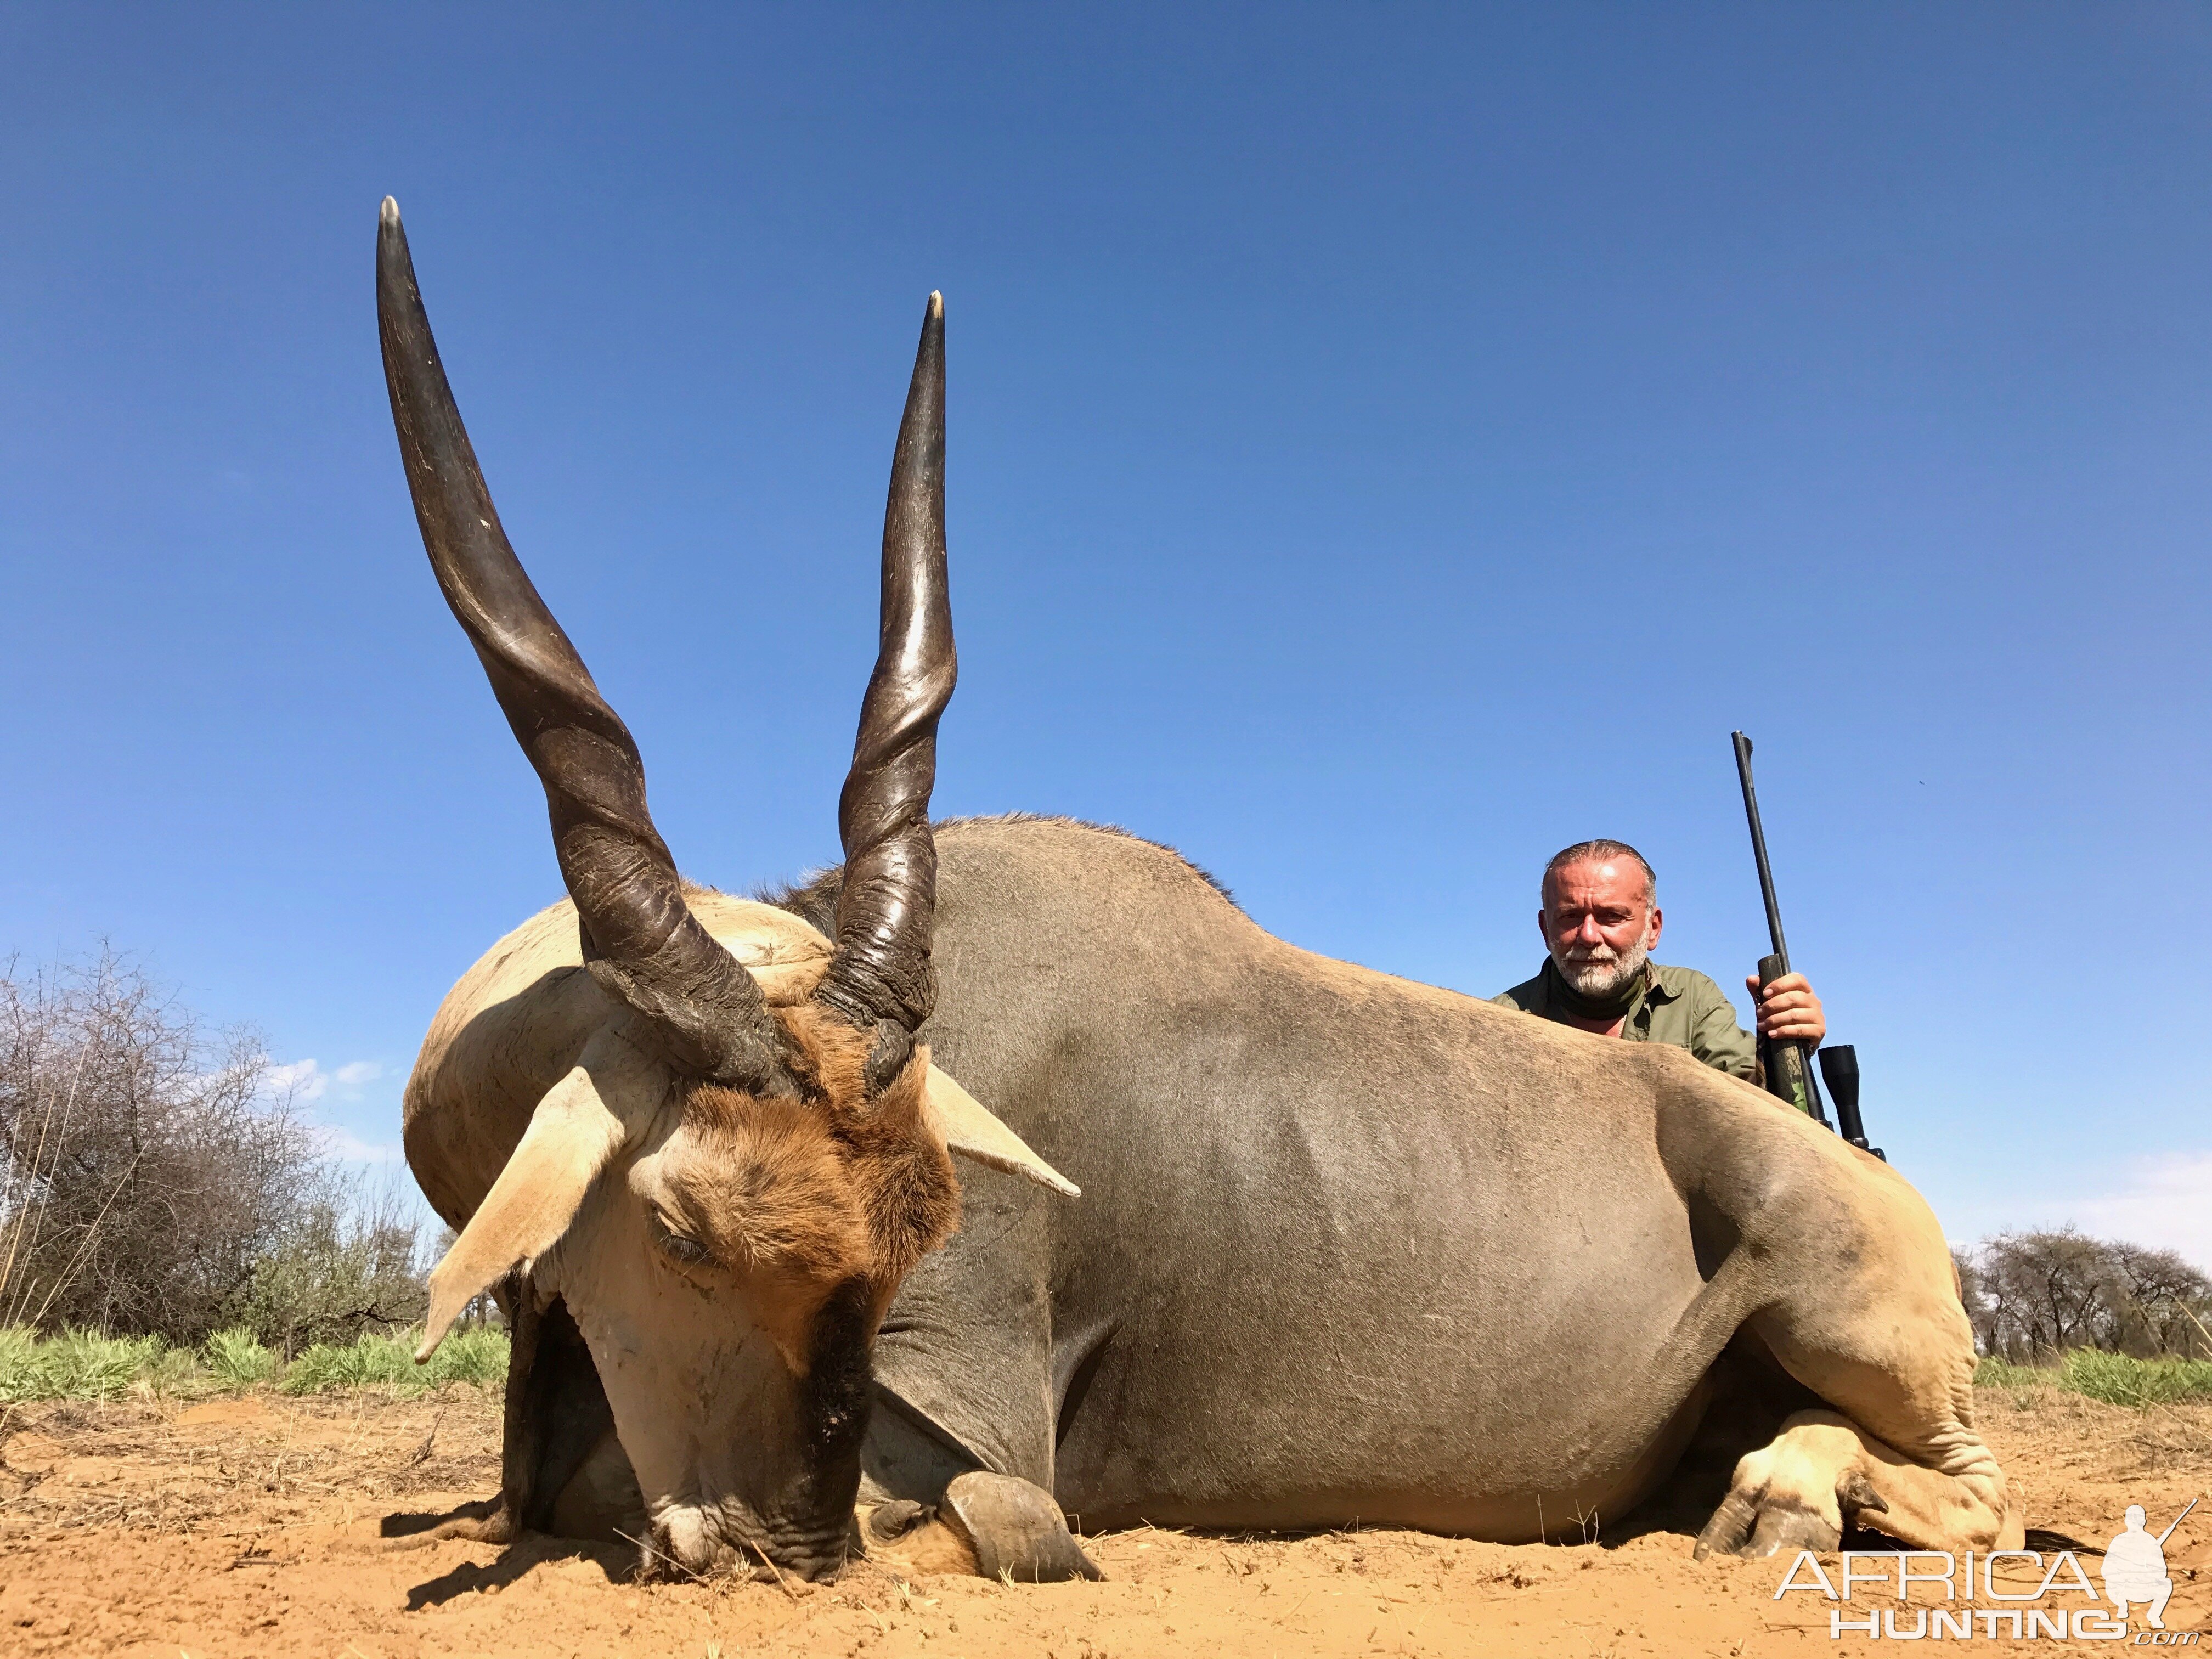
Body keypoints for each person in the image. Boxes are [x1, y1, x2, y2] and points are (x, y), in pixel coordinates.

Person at [1492, 839, 1824, 1086]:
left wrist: (1784, 1045)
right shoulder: (1498, 1023)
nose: (1589, 935)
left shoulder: (1694, 998)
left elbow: (1750, 1115)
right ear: (1545, 929)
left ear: (1653, 928)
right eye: (1569, 917)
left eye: (1611, 917)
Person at [2102, 1504, 2176, 1629]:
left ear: (2143, 1522)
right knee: (2111, 1583)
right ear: (2127, 1522)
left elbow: (2161, 1571)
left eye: (2137, 1519)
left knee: (2167, 1583)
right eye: (2133, 1519)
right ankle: (2122, 1606)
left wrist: (2145, 1575)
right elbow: (2106, 1570)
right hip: (2121, 1589)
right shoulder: (2118, 1541)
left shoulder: (2150, 1541)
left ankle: (2154, 1615)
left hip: (2143, 1589)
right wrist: (2123, 1575)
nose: (2135, 1522)